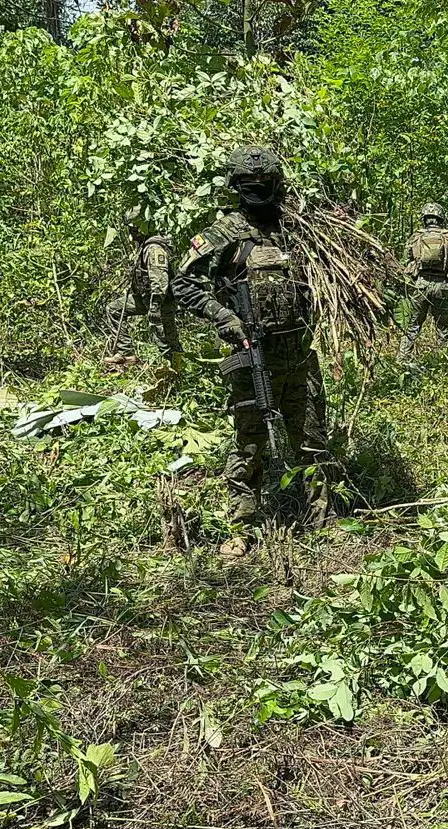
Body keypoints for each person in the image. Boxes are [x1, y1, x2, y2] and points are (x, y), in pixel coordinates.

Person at [172, 145, 333, 557]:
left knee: (312, 440)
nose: (258, 191)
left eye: (264, 184)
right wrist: (225, 317)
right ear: (235, 186)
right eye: (249, 185)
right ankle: (241, 527)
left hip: (297, 353)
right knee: (250, 443)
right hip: (251, 353)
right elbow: (182, 283)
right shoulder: (225, 233)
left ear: (277, 184)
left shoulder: (297, 231)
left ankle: (324, 522)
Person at [398, 202, 448, 355]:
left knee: (412, 327)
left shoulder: (416, 237)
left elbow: (404, 262)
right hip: (443, 286)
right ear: (441, 218)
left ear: (424, 218)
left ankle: (402, 361)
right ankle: (442, 363)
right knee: (443, 330)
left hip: (421, 285)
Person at [103, 227, 180, 366]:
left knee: (167, 342)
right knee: (114, 309)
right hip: (144, 298)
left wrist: (155, 307)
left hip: (161, 302)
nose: (131, 233)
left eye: (134, 229)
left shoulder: (153, 249)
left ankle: (181, 369)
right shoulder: (143, 247)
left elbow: (160, 282)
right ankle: (125, 353)